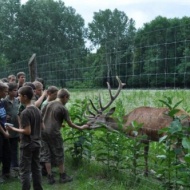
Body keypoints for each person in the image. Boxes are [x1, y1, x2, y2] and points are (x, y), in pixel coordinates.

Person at [41, 88, 89, 184]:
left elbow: (42, 117)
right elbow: (70, 124)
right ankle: (63, 176)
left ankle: (50, 177)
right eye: (68, 99)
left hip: (43, 132)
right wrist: (81, 127)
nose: (67, 101)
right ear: (65, 97)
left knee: (46, 154)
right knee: (59, 153)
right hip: (54, 133)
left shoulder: (48, 103)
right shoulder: (62, 108)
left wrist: (58, 123)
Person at [6, 86, 44, 190]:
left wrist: (13, 129)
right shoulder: (38, 110)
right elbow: (42, 127)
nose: (18, 98)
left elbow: (27, 131)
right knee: (36, 169)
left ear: (25, 97)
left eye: (19, 95)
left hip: (27, 144)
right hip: (37, 144)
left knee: (25, 170)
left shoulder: (25, 112)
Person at [3, 83, 19, 174]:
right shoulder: (4, 101)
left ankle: (15, 164)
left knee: (15, 147)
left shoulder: (17, 100)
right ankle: (8, 166)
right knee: (8, 149)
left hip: (16, 128)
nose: (16, 92)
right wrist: (6, 116)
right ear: (8, 92)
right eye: (14, 90)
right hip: (8, 128)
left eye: (17, 90)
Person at [0, 82, 11, 183]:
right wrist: (4, 133)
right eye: (5, 91)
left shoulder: (2, 102)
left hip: (4, 131)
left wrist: (6, 128)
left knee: (7, 153)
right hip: (1, 133)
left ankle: (6, 173)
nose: (6, 93)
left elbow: (3, 118)